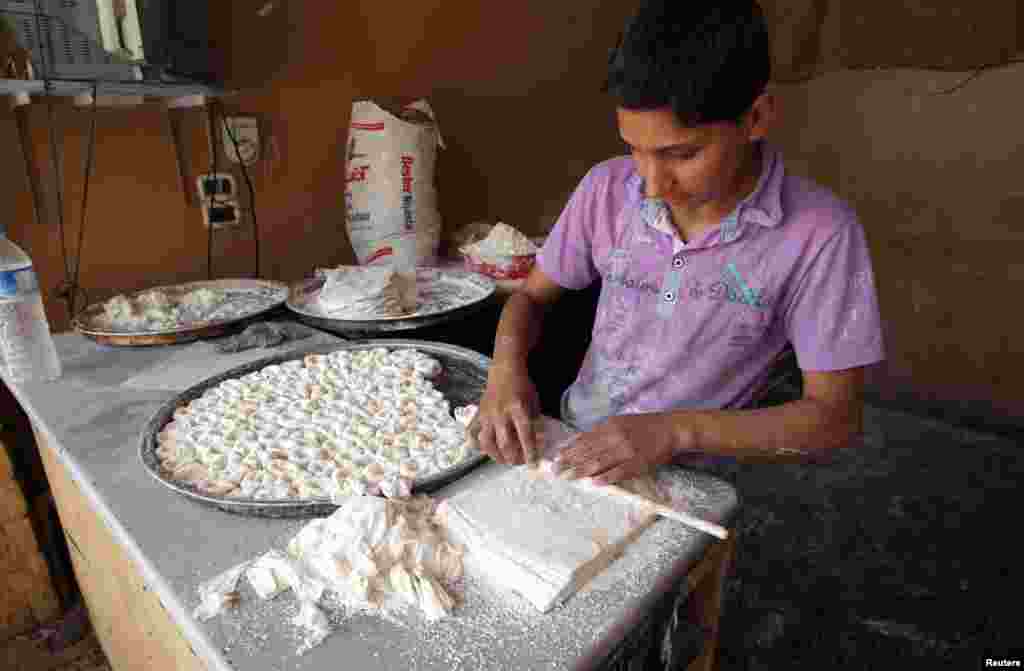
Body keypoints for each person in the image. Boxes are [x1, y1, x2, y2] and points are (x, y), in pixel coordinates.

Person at [469, 0, 886, 484]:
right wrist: (504, 372)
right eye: (634, 150)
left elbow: (834, 416)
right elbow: (530, 296)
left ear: (756, 116)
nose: (649, 186)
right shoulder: (606, 188)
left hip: (695, 479)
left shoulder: (819, 233)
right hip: (573, 440)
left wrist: (674, 431)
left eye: (682, 154)